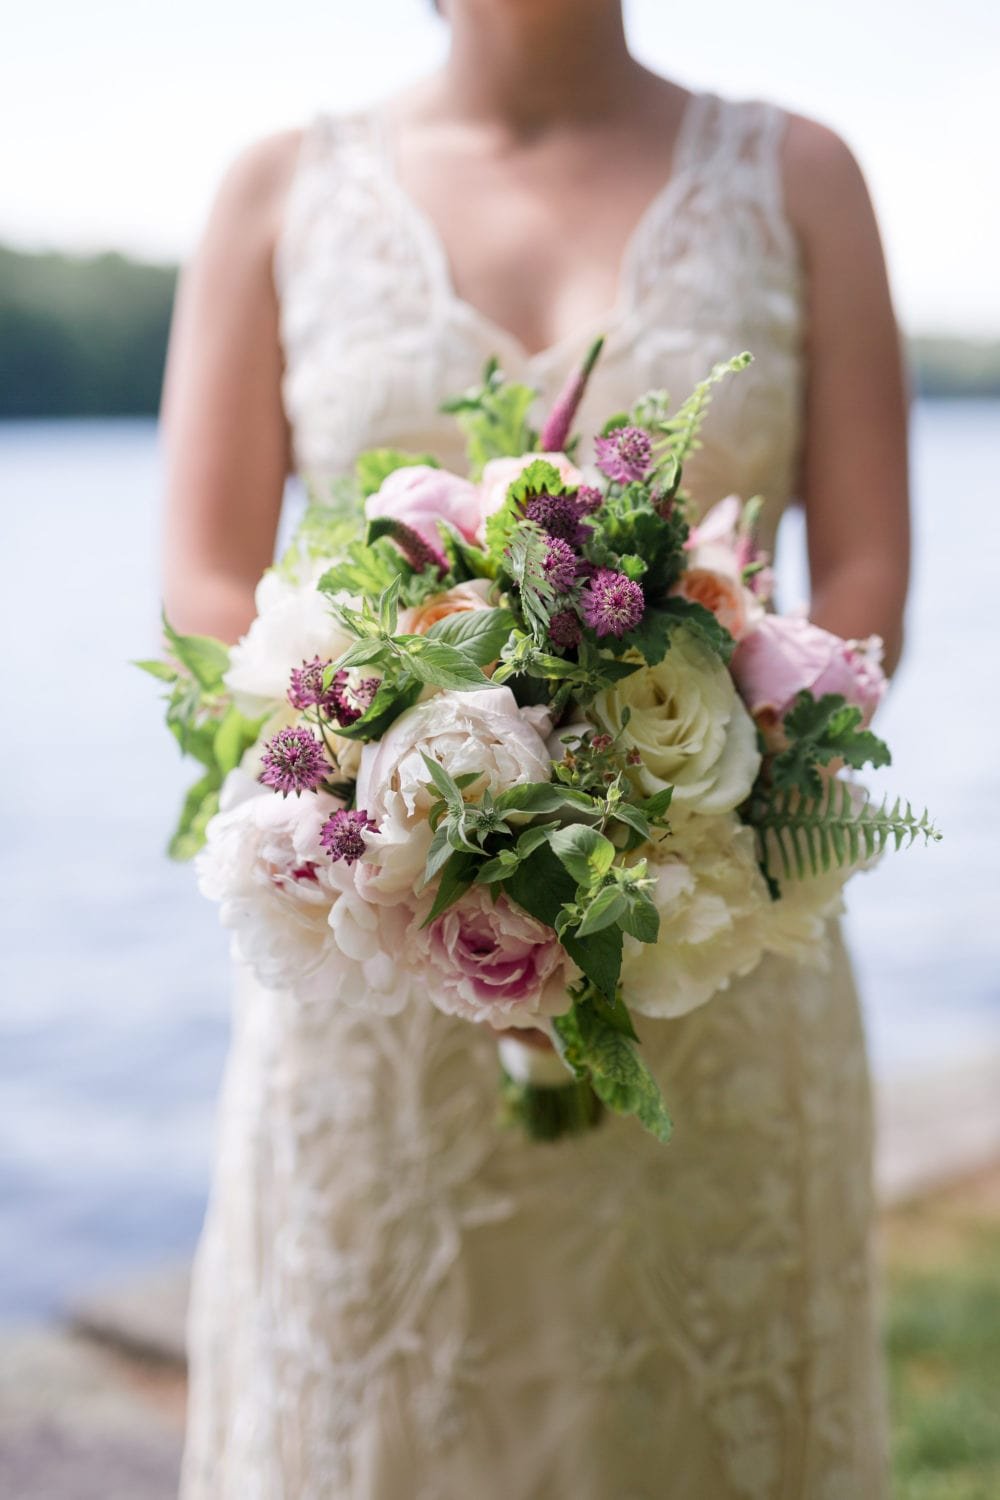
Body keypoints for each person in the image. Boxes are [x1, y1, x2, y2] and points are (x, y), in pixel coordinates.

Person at [161, 2, 910, 1496]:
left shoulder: (804, 176)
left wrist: (660, 815)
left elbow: (870, 582)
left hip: (717, 940)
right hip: (369, 970)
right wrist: (423, 838)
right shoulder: (275, 193)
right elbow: (203, 583)